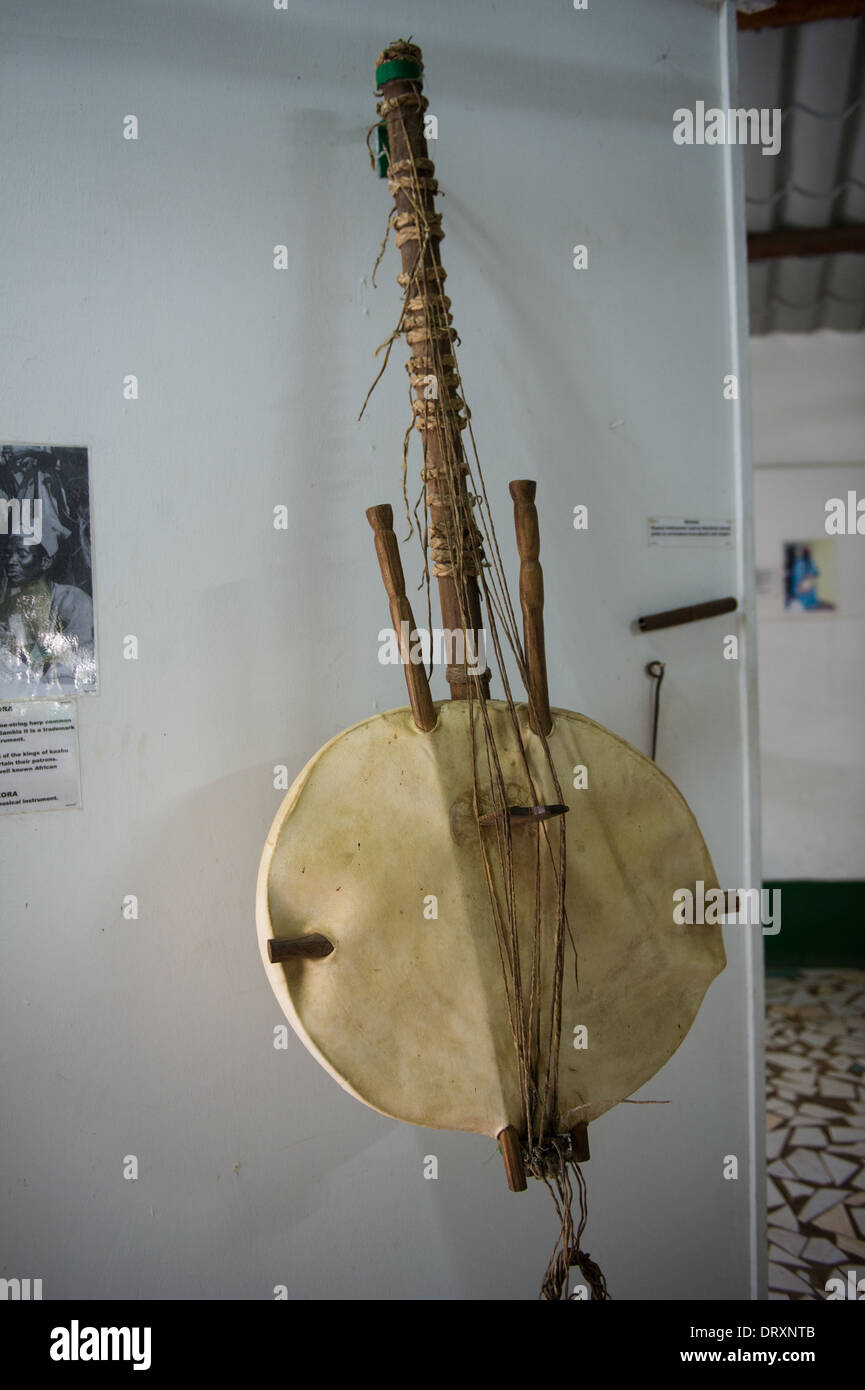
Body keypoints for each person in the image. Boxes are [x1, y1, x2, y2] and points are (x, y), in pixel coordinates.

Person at [0, 536, 94, 690]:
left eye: (22, 554)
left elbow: (68, 656)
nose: (11, 562)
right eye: (7, 555)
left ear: (45, 562)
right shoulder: (11, 605)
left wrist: (26, 649)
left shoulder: (72, 600)